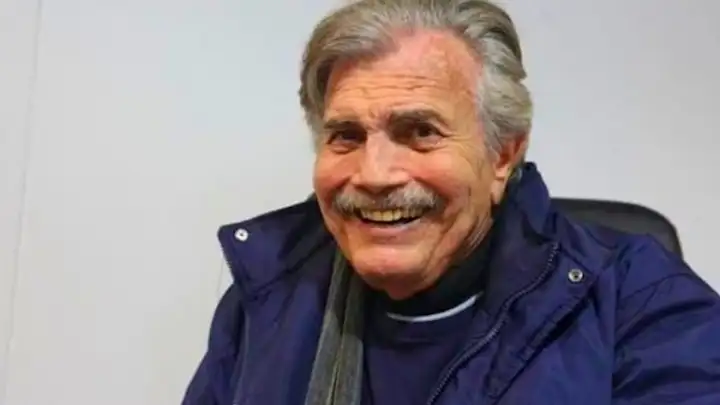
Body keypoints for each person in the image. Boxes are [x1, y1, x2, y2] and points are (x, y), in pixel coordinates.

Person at [182, 1, 720, 404]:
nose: (374, 174)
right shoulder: (268, 296)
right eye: (345, 136)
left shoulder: (641, 299)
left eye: (420, 132)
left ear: (503, 154)